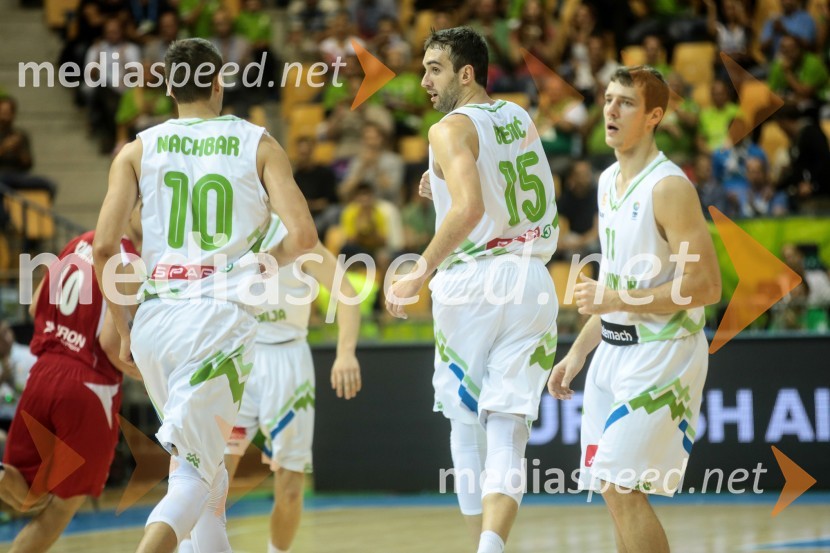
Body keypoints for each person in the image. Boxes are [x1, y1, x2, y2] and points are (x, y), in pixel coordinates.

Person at [92, 38, 316, 553]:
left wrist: (125, 329)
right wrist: (268, 262)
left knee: (208, 469)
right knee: (192, 476)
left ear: (169, 86)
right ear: (219, 84)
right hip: (217, 320)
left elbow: (105, 246)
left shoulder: (136, 149)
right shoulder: (258, 142)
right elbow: (304, 237)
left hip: (154, 323)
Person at [386, 27, 559, 553]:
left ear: (466, 73)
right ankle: (491, 548)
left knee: (465, 425)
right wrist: (436, 177)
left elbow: (470, 208)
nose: (423, 80)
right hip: (532, 281)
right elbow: (494, 176)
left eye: (434, 68)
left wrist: (421, 269)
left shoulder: (447, 129)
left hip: (473, 281)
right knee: (507, 431)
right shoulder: (519, 115)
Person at [547, 65, 722, 553]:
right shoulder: (608, 182)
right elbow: (615, 282)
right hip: (613, 351)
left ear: (654, 116)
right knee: (612, 490)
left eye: (625, 102)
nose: (610, 109)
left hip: (664, 352)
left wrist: (617, 300)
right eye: (607, 99)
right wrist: (578, 353)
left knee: (622, 487)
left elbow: (706, 285)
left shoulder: (668, 187)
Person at [179, 215, 362, 553]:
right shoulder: (226, 229)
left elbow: (348, 295)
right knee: (212, 475)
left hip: (288, 362)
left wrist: (346, 353)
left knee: (291, 486)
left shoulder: (297, 234)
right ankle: (195, 548)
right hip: (238, 358)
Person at [0, 222, 142, 551]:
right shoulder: (130, 262)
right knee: (63, 507)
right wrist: (154, 379)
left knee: (27, 495)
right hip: (87, 386)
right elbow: (110, 344)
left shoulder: (79, 242)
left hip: (43, 372)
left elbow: (36, 307)